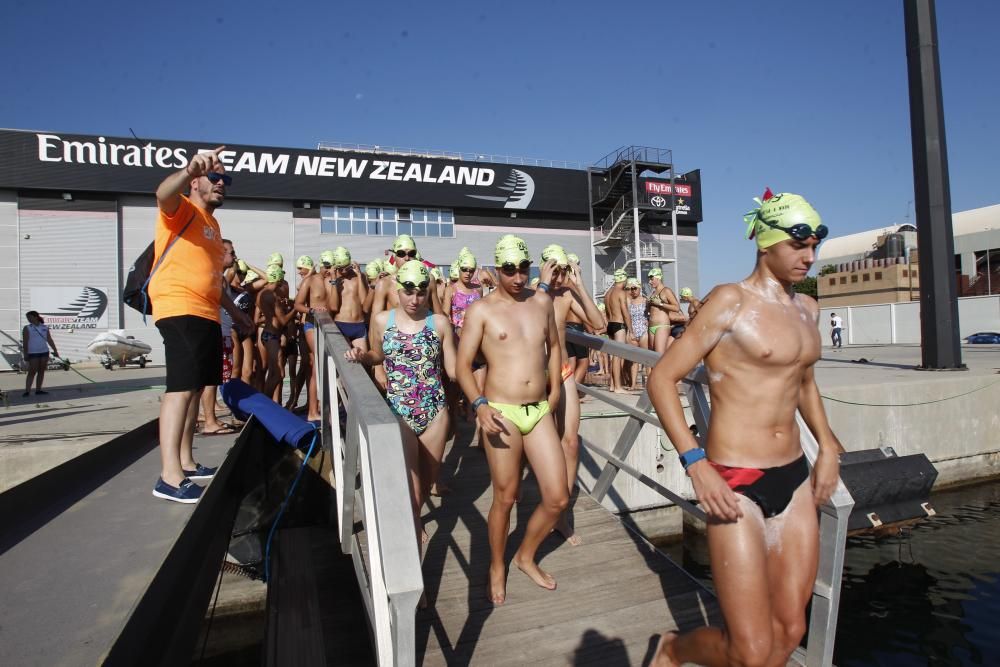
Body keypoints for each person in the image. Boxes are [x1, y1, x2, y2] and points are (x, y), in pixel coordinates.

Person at [648, 191, 843, 667]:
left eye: (815, 246)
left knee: (791, 628)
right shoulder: (729, 302)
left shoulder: (808, 308)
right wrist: (695, 463)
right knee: (751, 652)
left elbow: (803, 381)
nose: (809, 257)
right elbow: (662, 378)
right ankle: (672, 648)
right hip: (736, 480)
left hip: (794, 475)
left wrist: (829, 445)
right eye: (799, 246)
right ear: (765, 244)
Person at [456, 235, 568, 605]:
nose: (518, 277)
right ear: (497, 267)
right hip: (500, 412)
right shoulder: (482, 311)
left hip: (538, 410)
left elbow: (554, 349)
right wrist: (479, 404)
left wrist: (553, 394)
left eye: (524, 269)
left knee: (557, 497)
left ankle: (525, 555)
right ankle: (497, 565)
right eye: (509, 270)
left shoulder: (541, 301)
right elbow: (462, 364)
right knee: (506, 497)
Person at [149, 146, 252, 503]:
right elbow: (162, 194)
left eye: (226, 179)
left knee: (194, 388)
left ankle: (186, 461)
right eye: (215, 177)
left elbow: (213, 278)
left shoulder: (212, 223)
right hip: (179, 307)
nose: (222, 183)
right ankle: (169, 476)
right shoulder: (181, 210)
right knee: (180, 388)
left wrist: (235, 313)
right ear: (195, 182)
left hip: (207, 311)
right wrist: (188, 167)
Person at [345, 261, 456, 553]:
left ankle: (415, 517)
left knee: (425, 485)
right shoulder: (382, 320)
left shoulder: (440, 323)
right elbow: (377, 354)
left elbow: (455, 371)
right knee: (413, 490)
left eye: (421, 292)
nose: (414, 298)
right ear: (398, 289)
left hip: (436, 413)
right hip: (399, 411)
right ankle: (414, 577)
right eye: (408, 291)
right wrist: (360, 355)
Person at [535, 244, 605, 546]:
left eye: (564, 270)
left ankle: (560, 513)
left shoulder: (566, 296)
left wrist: (579, 284)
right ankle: (546, 504)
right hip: (532, 377)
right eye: (556, 269)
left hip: (562, 372)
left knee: (571, 441)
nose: (560, 275)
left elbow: (599, 325)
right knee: (541, 445)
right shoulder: (528, 295)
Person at [199, 239, 239, 435]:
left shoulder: (221, 278)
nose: (234, 256)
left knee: (215, 377)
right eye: (231, 253)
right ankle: (210, 420)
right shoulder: (217, 278)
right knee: (211, 378)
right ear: (220, 253)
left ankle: (209, 418)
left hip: (222, 331)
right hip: (218, 332)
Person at [293, 249, 334, 422]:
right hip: (312, 324)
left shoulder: (334, 281)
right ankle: (312, 411)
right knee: (318, 366)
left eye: (331, 266)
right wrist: (312, 310)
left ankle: (320, 408)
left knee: (325, 368)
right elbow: (297, 304)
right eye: (325, 265)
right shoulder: (311, 280)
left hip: (330, 327)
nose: (327, 269)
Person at [326, 247, 370, 352]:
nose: (344, 271)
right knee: (343, 362)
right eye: (340, 268)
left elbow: (364, 301)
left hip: (359, 324)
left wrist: (359, 275)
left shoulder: (359, 276)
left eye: (347, 267)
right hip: (341, 325)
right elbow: (333, 307)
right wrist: (334, 281)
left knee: (363, 362)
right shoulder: (330, 280)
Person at [603, 269, 633, 393]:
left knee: (612, 356)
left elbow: (607, 312)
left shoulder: (608, 293)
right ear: (624, 279)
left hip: (610, 325)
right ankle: (617, 387)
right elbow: (625, 312)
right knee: (618, 356)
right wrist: (630, 329)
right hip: (619, 325)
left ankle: (611, 385)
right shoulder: (620, 293)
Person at [647, 268, 685, 354]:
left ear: (658, 278)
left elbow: (676, 307)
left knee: (658, 355)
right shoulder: (653, 293)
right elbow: (652, 311)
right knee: (651, 355)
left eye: (652, 279)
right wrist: (648, 304)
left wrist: (660, 304)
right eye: (649, 279)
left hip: (662, 326)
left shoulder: (666, 291)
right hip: (651, 327)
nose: (650, 282)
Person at [21, 310, 59, 397]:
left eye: (30, 317)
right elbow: (25, 342)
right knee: (32, 371)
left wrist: (55, 350)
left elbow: (49, 339)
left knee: (41, 371)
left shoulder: (44, 327)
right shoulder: (27, 328)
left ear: (36, 317)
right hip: (33, 352)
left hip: (44, 351)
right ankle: (27, 391)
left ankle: (38, 390)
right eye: (27, 318)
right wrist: (25, 353)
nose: (29, 319)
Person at [625, 278, 649, 389]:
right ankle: (633, 384)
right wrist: (630, 332)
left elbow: (651, 314)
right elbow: (627, 317)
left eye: (634, 288)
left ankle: (649, 383)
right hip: (632, 331)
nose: (633, 291)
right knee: (633, 361)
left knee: (646, 359)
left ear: (639, 288)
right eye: (630, 289)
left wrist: (648, 320)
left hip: (643, 330)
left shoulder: (646, 300)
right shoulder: (628, 301)